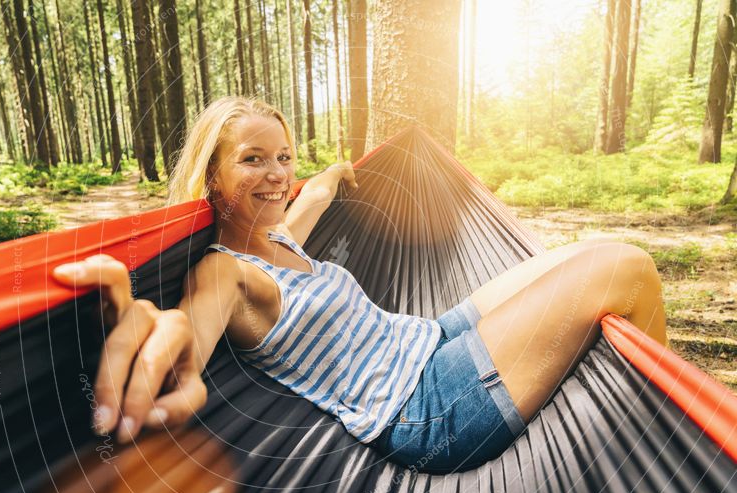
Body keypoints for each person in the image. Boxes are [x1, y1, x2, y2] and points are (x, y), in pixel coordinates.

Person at [52, 96, 668, 473]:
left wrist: (329, 176)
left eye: (284, 156)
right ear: (212, 177)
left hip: (432, 338)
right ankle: (662, 444)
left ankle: (647, 410)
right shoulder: (227, 272)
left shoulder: (280, 233)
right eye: (252, 159)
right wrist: (165, 340)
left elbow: (310, 197)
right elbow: (194, 322)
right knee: (626, 267)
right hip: (425, 407)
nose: (276, 174)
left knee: (583, 252)